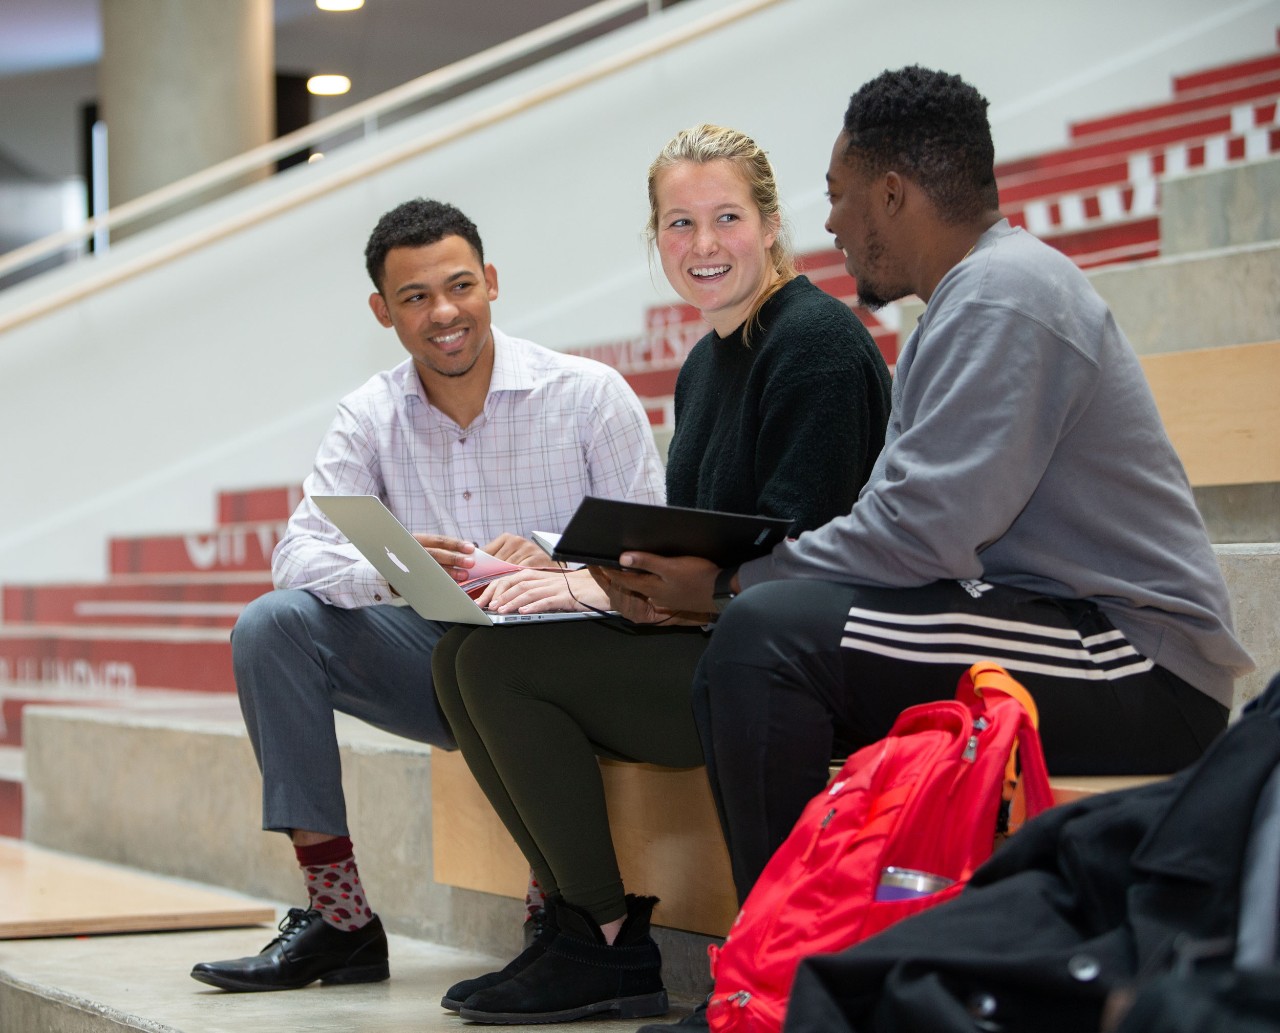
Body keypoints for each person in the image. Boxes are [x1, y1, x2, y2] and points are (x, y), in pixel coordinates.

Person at [604, 66, 1255, 929]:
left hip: (1137, 662)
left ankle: (787, 976)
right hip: (1051, 623)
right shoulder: (971, 296)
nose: (831, 224)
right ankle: (805, 956)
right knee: (763, 645)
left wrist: (729, 586)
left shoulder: (1005, 294)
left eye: (840, 198)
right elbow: (908, 528)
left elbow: (920, 536)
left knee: (764, 637)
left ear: (893, 192)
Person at [430, 124, 892, 1024]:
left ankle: (601, 938)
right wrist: (577, 565)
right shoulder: (705, 364)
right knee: (457, 655)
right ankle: (582, 929)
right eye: (679, 224)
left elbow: (794, 553)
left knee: (495, 666)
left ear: (768, 223)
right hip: (718, 636)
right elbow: (691, 541)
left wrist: (597, 589)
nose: (704, 245)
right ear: (656, 240)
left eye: (726, 217)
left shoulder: (817, 346)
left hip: (798, 665)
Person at [189, 198, 666, 993]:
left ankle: (560, 912)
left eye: (460, 286)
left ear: (493, 284)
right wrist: (395, 571)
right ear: (383, 310)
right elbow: (297, 552)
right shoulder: (371, 416)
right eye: (415, 297)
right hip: (437, 654)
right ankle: (338, 917)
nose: (444, 313)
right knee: (272, 627)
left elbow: (648, 556)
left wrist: (551, 561)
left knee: (505, 658)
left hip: (568, 662)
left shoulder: (589, 395)